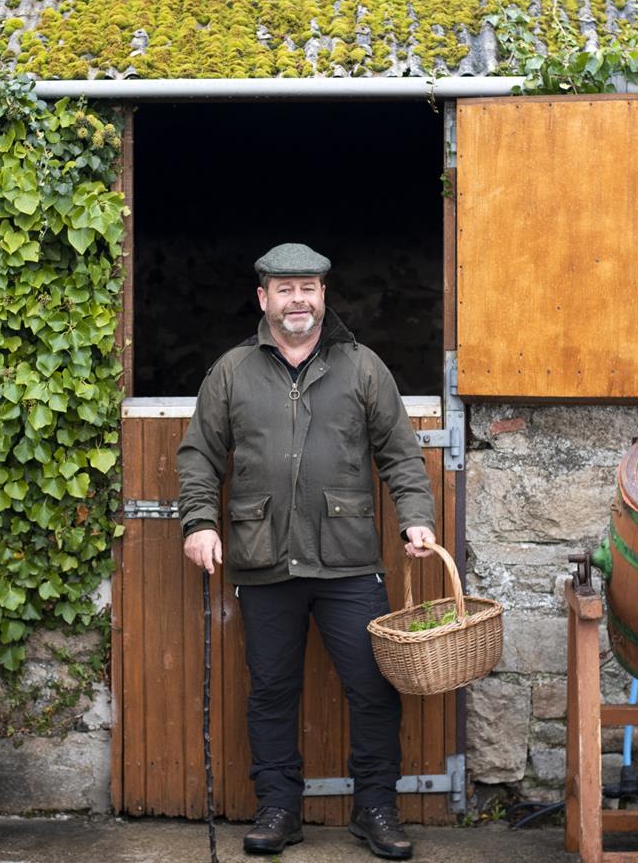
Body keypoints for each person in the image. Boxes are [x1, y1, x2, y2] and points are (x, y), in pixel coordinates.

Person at [177, 243, 437, 861]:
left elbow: (400, 453)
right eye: (286, 289)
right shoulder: (232, 371)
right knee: (271, 690)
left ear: (324, 296)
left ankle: (375, 806)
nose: (299, 300)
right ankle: (278, 808)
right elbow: (199, 456)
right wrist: (198, 523)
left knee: (373, 688)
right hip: (262, 557)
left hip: (348, 560)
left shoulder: (362, 366)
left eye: (310, 288)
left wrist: (416, 520)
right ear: (263, 298)